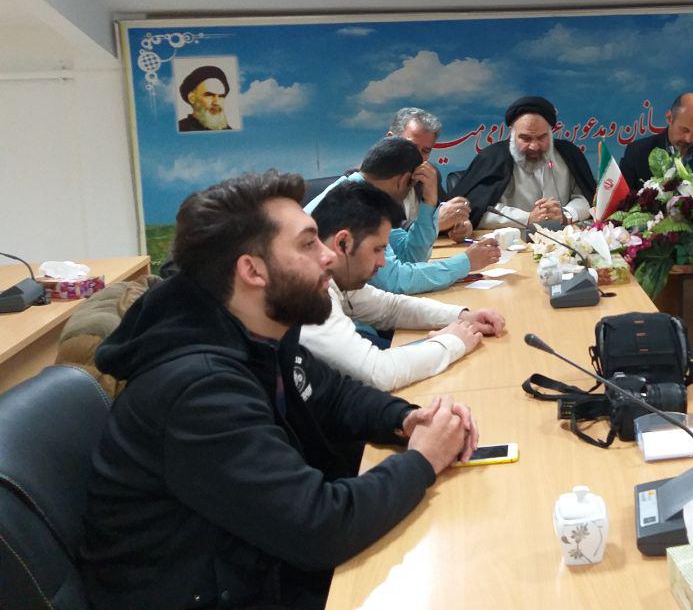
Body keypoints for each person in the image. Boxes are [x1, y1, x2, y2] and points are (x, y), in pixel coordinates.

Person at [81, 170, 479, 610]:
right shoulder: (199, 391)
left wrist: (404, 419)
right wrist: (423, 460)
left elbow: (332, 394)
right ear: (252, 270)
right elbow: (319, 528)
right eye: (308, 244)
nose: (327, 255)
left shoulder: (259, 329)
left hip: (256, 565)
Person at [302, 180, 505, 390]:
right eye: (377, 250)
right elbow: (377, 373)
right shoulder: (309, 292)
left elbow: (390, 307)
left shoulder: (334, 277)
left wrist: (462, 316)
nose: (382, 262)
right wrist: (452, 342)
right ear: (342, 243)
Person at [306, 139, 500, 294]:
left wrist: (429, 203)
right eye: (411, 186)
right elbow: (395, 282)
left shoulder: (364, 194)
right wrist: (465, 262)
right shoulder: (355, 204)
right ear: (403, 180)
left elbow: (410, 256)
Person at [449, 95, 596, 229]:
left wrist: (566, 214)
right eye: (525, 138)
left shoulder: (568, 154)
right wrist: (527, 218)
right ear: (512, 132)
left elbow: (587, 198)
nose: (534, 146)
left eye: (542, 137)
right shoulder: (492, 159)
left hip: (562, 241)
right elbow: (475, 213)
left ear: (551, 132)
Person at [387, 107, 473, 242]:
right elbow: (381, 232)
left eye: (425, 151)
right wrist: (433, 223)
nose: (417, 156)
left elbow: (445, 213)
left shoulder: (428, 173)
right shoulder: (368, 179)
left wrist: (460, 225)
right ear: (390, 139)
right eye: (411, 147)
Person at [618, 92, 693, 191]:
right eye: (684, 130)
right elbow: (622, 201)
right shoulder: (636, 152)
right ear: (669, 118)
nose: (688, 139)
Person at [177, 64, 233, 131]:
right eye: (209, 95)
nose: (217, 102)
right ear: (192, 98)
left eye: (221, 96)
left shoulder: (229, 131)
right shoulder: (180, 128)